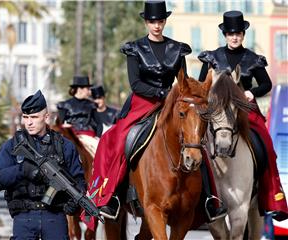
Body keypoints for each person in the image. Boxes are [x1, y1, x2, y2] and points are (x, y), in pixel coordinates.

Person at [82, 1, 225, 229]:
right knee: (116, 139)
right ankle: (112, 197)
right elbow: (135, 83)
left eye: (160, 21)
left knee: (196, 142)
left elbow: (183, 80)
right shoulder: (135, 48)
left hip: (175, 104)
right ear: (146, 22)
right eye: (152, 21)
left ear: (164, 21)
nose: (156, 25)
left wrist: (179, 95)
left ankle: (209, 199)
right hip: (142, 102)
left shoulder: (178, 48)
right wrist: (162, 92)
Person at [198, 10, 288, 220]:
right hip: (217, 111)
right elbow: (202, 85)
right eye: (230, 33)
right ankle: (199, 198)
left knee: (267, 146)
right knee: (194, 143)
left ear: (243, 35)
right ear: (225, 35)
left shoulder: (253, 59)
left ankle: (272, 198)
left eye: (238, 33)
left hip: (246, 110)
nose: (234, 36)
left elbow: (266, 84)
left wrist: (251, 92)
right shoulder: (212, 57)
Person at [0, 90, 86, 240]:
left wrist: (75, 201)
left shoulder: (64, 146)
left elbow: (79, 180)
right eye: (26, 117)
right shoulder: (13, 146)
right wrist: (22, 170)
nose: (28, 122)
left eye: (34, 117)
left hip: (55, 217)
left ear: (46, 117)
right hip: (24, 217)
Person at [57, 76, 99, 157]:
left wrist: (98, 137)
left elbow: (98, 124)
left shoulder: (93, 105)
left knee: (99, 153)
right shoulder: (64, 105)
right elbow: (59, 125)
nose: (89, 92)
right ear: (80, 89)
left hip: (88, 137)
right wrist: (64, 126)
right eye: (88, 89)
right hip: (70, 136)